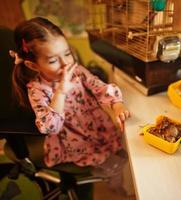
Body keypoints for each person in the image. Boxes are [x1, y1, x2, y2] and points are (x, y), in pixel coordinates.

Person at [9, 17, 130, 194]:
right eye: (53, 60)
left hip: (97, 126)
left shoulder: (77, 70)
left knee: (120, 150)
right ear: (32, 65)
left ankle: (114, 180)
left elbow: (98, 86)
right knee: (115, 164)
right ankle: (110, 177)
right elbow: (49, 126)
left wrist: (116, 103)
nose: (66, 64)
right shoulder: (36, 90)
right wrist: (61, 92)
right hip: (73, 139)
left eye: (67, 53)